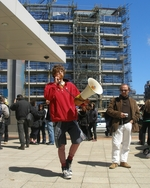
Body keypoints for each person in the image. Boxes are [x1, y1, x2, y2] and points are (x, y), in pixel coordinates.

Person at [44, 64, 88, 179]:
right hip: (59, 120)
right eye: (56, 73)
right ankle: (64, 167)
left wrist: (84, 103)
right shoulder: (49, 86)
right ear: (54, 75)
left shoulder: (70, 85)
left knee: (78, 140)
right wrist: (55, 85)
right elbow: (48, 96)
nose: (59, 74)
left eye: (61, 72)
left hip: (72, 118)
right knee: (61, 146)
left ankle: (69, 159)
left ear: (63, 73)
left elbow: (78, 98)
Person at [107, 84, 140, 169]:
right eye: (122, 90)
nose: (123, 91)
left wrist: (132, 121)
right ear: (120, 91)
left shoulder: (132, 101)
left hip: (128, 124)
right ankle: (115, 162)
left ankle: (123, 161)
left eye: (125, 90)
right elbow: (109, 110)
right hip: (118, 124)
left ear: (128, 90)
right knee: (116, 144)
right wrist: (119, 114)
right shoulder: (115, 100)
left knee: (126, 144)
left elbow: (138, 114)